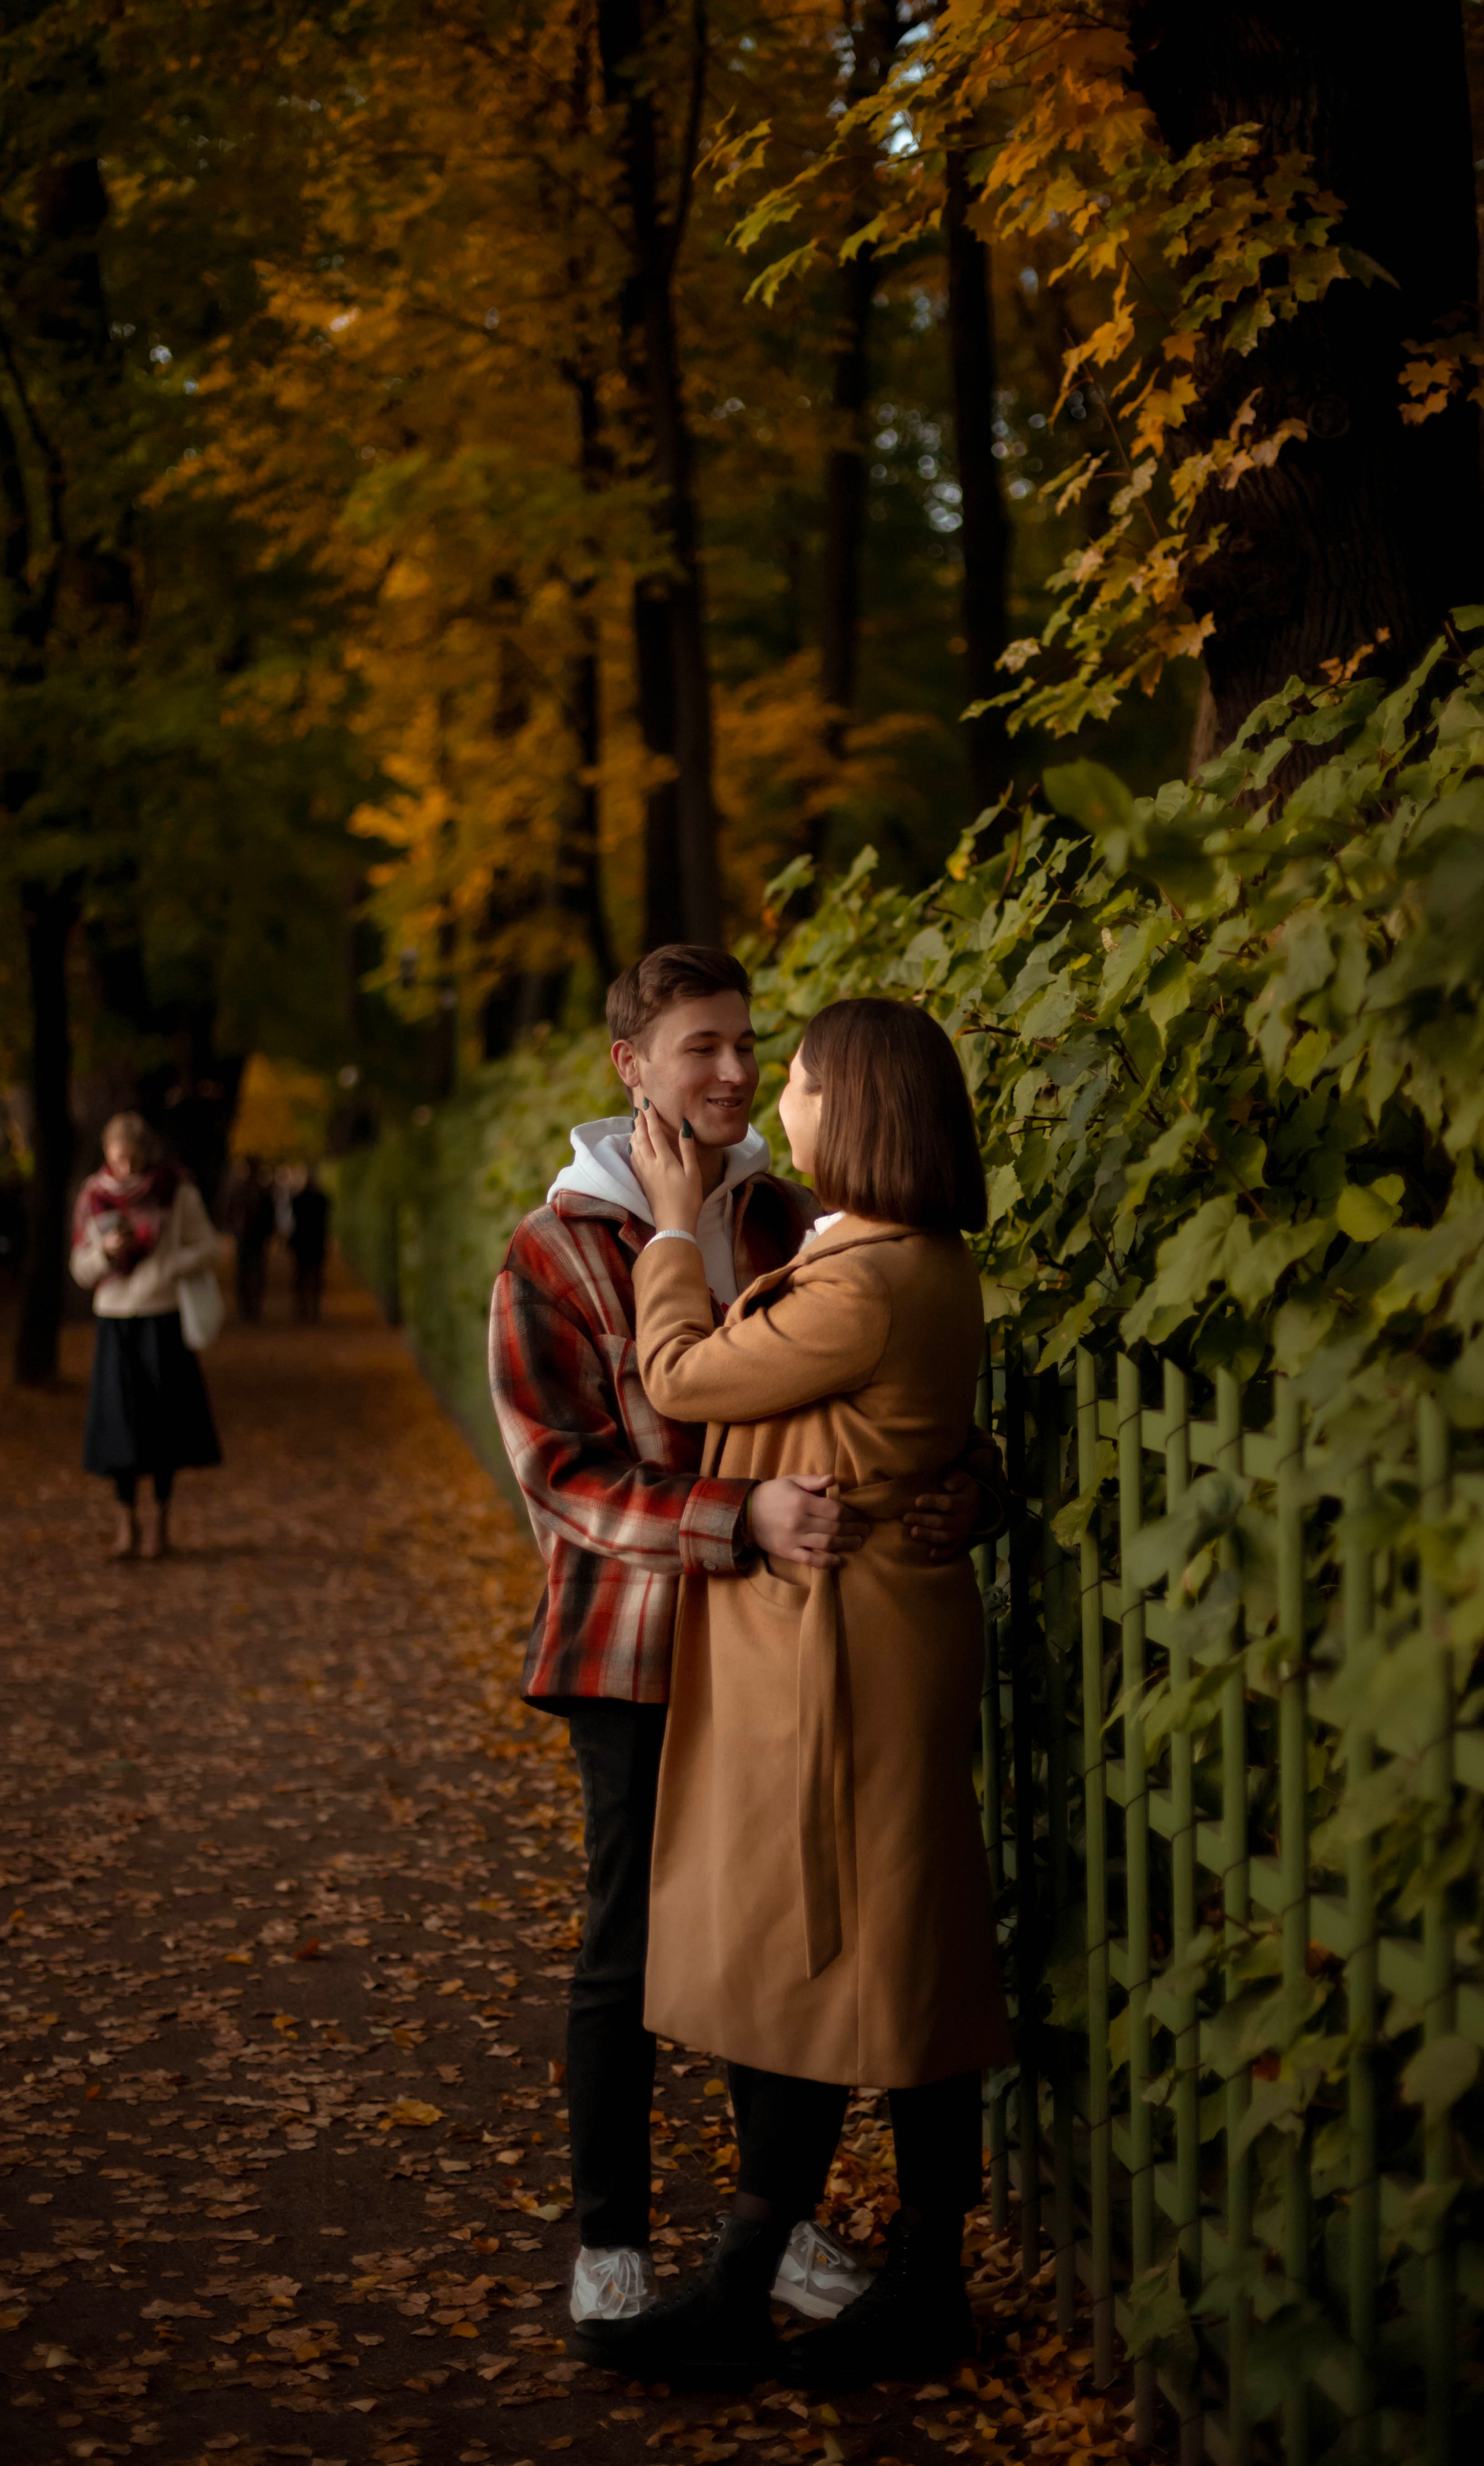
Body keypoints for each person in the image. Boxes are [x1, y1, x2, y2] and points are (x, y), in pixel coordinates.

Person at [488, 948, 1002, 2343]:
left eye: (747, 1045)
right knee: (628, 1945)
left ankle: (765, 2245)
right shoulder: (556, 1248)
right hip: (638, 1636)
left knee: (774, 1938)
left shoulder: (797, 1217)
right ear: (631, 1069)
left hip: (786, 1656)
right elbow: (563, 1477)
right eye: (700, 1048)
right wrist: (736, 1517)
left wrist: (970, 1485)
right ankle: (613, 2241)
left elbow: (894, 1407)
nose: (732, 1074)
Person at [71, 1113, 224, 1561]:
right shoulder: (93, 1197)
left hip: (162, 1319)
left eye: (133, 1159)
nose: (126, 1168)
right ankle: (126, 1524)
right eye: (118, 1158)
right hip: (115, 1320)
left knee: (164, 1428)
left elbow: (210, 1247)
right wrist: (104, 1254)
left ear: (146, 1153)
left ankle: (160, 1524)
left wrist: (171, 1266)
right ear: (106, 1153)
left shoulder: (176, 1191)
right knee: (119, 1428)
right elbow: (79, 1269)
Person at [227, 1159, 276, 1321]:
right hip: (247, 1237)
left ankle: (251, 1307)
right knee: (247, 1272)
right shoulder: (248, 1191)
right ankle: (248, 1307)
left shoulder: (258, 1192)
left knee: (253, 1272)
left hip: (255, 1238)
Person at [289, 1165, 331, 1323]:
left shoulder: (299, 1199)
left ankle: (304, 1307)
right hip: (315, 1241)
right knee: (314, 1276)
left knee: (302, 1276)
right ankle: (312, 1307)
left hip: (303, 1241)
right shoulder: (321, 1200)